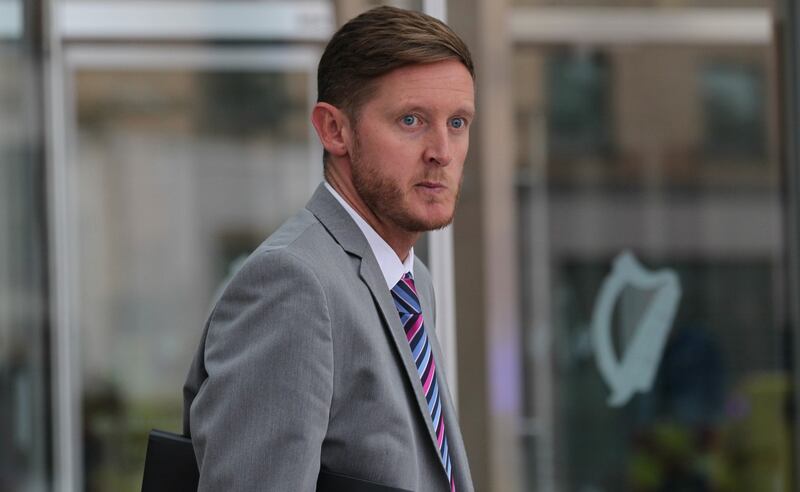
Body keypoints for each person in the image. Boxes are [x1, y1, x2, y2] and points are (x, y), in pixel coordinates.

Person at [182, 6, 475, 491]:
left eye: (458, 122)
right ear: (334, 130)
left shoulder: (409, 279)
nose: (441, 151)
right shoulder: (293, 283)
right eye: (411, 120)